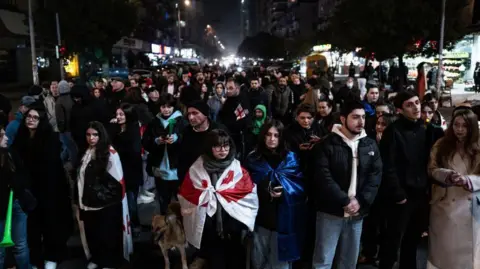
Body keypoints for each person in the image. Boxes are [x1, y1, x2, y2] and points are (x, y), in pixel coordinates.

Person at [311, 101, 382, 269]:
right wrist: (345, 200)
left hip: (357, 213)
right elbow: (323, 177)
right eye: (355, 117)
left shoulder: (369, 144)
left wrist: (360, 201)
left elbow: (375, 176)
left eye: (363, 117)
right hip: (331, 211)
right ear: (343, 119)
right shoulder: (326, 144)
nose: (361, 122)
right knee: (323, 260)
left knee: (349, 262)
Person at [178, 129, 258, 269]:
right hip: (209, 227)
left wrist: (237, 220)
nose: (223, 150)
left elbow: (248, 194)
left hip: (232, 225)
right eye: (217, 146)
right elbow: (187, 195)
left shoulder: (237, 168)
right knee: (216, 261)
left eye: (226, 145)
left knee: (235, 259)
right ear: (210, 147)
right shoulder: (197, 168)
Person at [12, 107, 73, 269]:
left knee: (50, 224)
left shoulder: (50, 138)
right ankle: (36, 258)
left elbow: (53, 166)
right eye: (28, 116)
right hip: (28, 190)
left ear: (41, 121)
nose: (30, 120)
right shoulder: (20, 137)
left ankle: (52, 257)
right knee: (32, 227)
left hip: (49, 189)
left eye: (35, 117)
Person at [245, 120, 307, 269]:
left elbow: (299, 187)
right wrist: (264, 188)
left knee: (280, 264)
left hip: (283, 223)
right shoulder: (253, 159)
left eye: (276, 135)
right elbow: (245, 187)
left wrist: (284, 190)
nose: (272, 139)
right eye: (268, 135)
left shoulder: (290, 159)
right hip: (260, 220)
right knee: (258, 262)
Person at [427, 109, 480, 269]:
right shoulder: (441, 144)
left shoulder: (478, 146)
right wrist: (447, 175)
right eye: (456, 125)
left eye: (464, 126)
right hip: (445, 205)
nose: (460, 129)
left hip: (472, 206)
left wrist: (469, 180)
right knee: (443, 255)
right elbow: (432, 169)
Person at [77, 121, 133, 269]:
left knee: (107, 235)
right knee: (93, 234)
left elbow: (117, 180)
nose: (91, 138)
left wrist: (103, 197)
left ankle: (109, 262)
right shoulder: (85, 151)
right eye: (88, 134)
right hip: (87, 202)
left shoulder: (109, 152)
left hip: (105, 204)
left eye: (95, 134)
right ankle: (98, 258)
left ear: (101, 135)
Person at [142, 93, 185, 214]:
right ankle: (165, 227)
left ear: (173, 107)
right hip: (160, 169)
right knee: (162, 201)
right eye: (163, 107)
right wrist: (156, 141)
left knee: (179, 201)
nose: (166, 109)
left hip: (177, 168)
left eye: (169, 106)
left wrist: (177, 138)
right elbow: (145, 141)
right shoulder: (154, 122)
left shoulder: (181, 121)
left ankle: (180, 227)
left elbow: (188, 141)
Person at [0, 126, 35, 269]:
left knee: (20, 245)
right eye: (2, 135)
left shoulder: (10, 153)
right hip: (1, 208)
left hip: (16, 203)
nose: (7, 138)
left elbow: (23, 175)